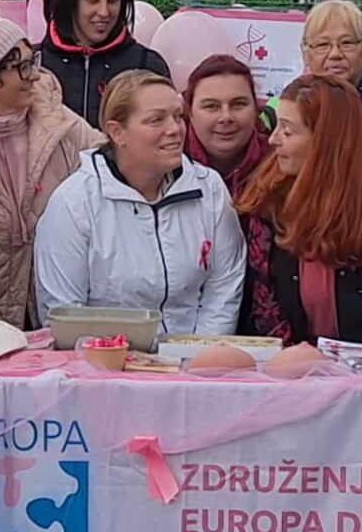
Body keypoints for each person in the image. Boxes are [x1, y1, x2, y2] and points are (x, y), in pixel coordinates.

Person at [33, 71, 247, 336]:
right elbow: (65, 312)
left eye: (178, 116)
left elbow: (224, 288)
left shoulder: (209, 188)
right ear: (117, 132)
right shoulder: (74, 202)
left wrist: (197, 357)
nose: (175, 130)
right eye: (156, 120)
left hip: (194, 365)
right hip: (106, 366)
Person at [0, 14, 101, 332]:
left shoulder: (58, 124)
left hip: (46, 324)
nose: (35, 75)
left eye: (33, 61)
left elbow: (111, 162)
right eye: (22, 67)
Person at [239, 77, 362, 347]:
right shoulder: (270, 198)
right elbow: (263, 298)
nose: (273, 139)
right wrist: (295, 360)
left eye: (288, 131)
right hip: (291, 370)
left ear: (327, 141)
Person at [36, 0, 169, 125]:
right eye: (93, 0)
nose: (104, 12)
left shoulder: (145, 65)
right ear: (70, 1)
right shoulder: (34, 63)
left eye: (113, 0)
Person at [182, 56, 269, 194]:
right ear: (190, 113)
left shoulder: (280, 164)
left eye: (238, 104)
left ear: (256, 109)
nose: (226, 117)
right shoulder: (167, 168)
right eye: (211, 106)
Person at [298, 0, 362, 115]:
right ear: (306, 55)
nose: (335, 54)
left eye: (346, 43)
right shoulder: (283, 108)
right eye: (323, 45)